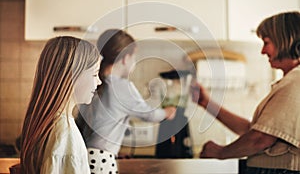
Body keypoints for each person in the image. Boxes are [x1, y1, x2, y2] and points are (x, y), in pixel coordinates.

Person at [191, 11, 300, 174]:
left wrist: (221, 152)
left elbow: (260, 139)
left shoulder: (296, 81)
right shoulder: (292, 81)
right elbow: (254, 130)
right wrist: (207, 103)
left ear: (285, 41)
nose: (263, 51)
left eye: (266, 42)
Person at [77, 29, 176, 174]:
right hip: (101, 160)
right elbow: (149, 114)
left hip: (85, 155)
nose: (134, 62)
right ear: (125, 58)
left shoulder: (95, 81)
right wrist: (168, 112)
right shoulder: (122, 87)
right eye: (134, 58)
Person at [20, 36, 102, 174]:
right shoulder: (65, 135)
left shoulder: (49, 123)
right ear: (72, 76)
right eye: (94, 74)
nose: (99, 82)